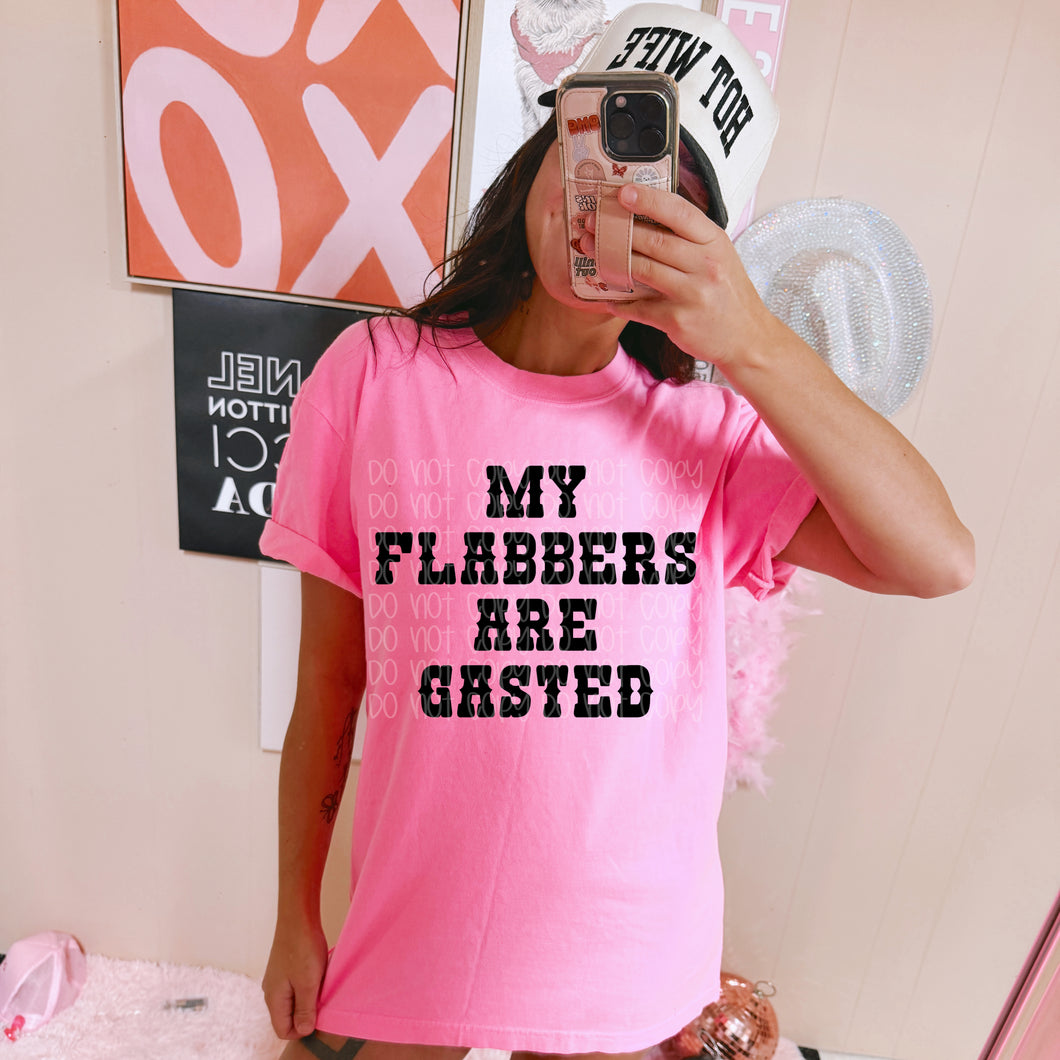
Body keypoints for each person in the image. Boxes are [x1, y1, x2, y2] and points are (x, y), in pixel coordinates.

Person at [258, 7, 974, 1060]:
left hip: (625, 957)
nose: (617, 201)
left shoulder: (707, 433)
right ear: (543, 152)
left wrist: (752, 340)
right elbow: (329, 679)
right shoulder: (374, 379)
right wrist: (294, 915)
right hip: (419, 934)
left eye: (668, 194)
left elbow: (938, 557)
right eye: (597, 146)